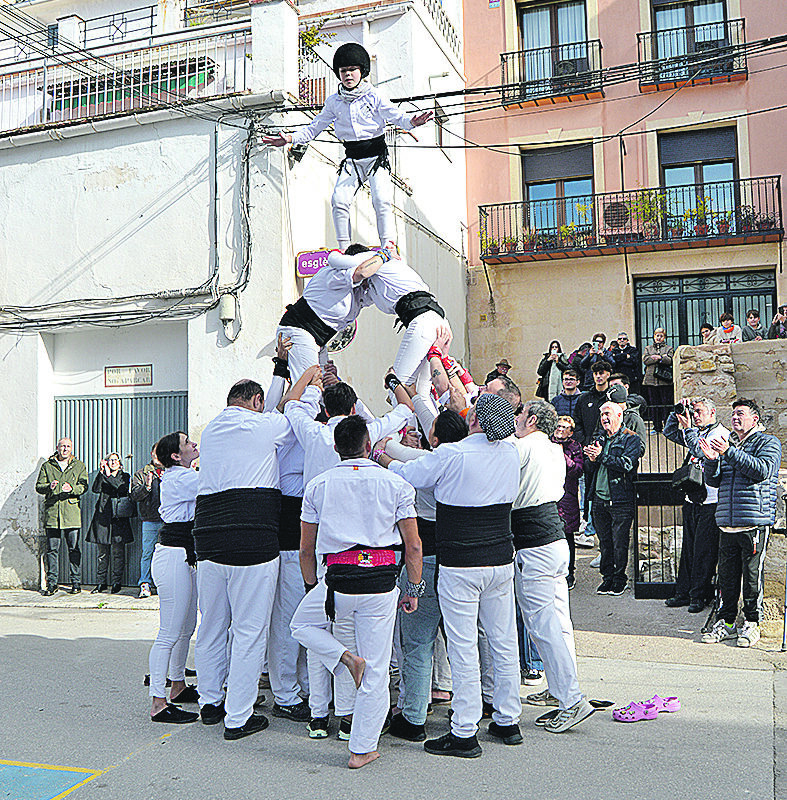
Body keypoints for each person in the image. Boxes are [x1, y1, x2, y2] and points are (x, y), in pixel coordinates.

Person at [386, 393, 522, 758]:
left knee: (463, 647)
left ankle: (464, 730)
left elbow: (408, 475)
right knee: (503, 640)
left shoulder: (452, 454)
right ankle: (508, 719)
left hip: (460, 563)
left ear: (474, 420)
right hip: (500, 559)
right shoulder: (510, 453)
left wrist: (385, 456)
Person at [290, 415, 423, 769]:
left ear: (336, 448)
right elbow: (413, 546)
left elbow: (306, 549)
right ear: (368, 446)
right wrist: (413, 588)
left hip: (338, 581)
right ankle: (361, 749)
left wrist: (312, 586)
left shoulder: (318, 485)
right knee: (376, 670)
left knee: (300, 625)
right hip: (381, 582)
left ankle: (344, 658)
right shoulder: (395, 484)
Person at [262, 43, 432, 251]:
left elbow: (397, 117)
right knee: (339, 200)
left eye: (352, 70)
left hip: (376, 158)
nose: (348, 75)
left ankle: (388, 245)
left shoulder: (374, 96)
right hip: (352, 160)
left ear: (362, 71)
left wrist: (412, 122)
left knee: (381, 199)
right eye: (343, 71)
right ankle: (344, 249)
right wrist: (289, 138)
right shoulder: (334, 102)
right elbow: (314, 128)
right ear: (338, 74)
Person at [193, 379, 291, 740]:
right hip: (252, 536)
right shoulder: (264, 425)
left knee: (212, 625)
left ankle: (210, 701)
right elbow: (291, 409)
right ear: (257, 401)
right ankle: (238, 717)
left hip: (209, 538)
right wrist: (306, 378)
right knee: (250, 630)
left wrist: (279, 369)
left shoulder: (211, 430)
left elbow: (272, 407)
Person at [377, 409, 468, 742]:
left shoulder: (428, 463)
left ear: (435, 438)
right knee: (462, 643)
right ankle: (471, 709)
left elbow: (401, 460)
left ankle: (413, 717)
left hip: (425, 558)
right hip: (460, 560)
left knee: (417, 643)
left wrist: (383, 451)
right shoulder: (468, 463)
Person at [511, 400, 594, 733]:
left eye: (519, 416)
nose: (515, 420)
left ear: (531, 420)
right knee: (559, 622)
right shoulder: (553, 449)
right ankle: (562, 691)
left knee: (542, 625)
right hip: (555, 542)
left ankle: (571, 700)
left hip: (535, 545)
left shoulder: (524, 447)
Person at [699, 398, 782, 647]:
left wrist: (728, 452)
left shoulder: (768, 442)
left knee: (752, 577)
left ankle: (752, 623)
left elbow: (762, 470)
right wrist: (711, 460)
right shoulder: (730, 445)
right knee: (727, 578)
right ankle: (726, 623)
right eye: (733, 414)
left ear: (754, 419)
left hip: (753, 522)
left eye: (741, 414)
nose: (735, 418)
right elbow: (714, 481)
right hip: (727, 522)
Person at [344, 247, 452, 414]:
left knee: (397, 387)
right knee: (420, 391)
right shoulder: (378, 280)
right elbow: (360, 298)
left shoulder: (378, 262)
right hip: (435, 321)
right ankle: (433, 428)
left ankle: (411, 431)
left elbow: (361, 272)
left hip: (423, 321)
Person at [148, 431, 201, 725]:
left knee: (186, 627)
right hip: (173, 556)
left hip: (186, 554)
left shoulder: (184, 475)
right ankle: (158, 701)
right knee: (169, 631)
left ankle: (177, 685)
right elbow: (214, 483)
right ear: (176, 456)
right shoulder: (180, 478)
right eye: (187, 443)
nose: (193, 444)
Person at [663, 398, 728, 613]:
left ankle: (699, 596)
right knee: (688, 550)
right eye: (694, 412)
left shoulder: (720, 433)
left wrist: (689, 429)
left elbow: (700, 452)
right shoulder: (697, 432)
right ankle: (683, 593)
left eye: (699, 411)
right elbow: (669, 432)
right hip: (692, 498)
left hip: (711, 502)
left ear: (713, 412)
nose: (696, 415)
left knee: (703, 551)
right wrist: (677, 412)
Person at [276, 248, 371, 383]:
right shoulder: (335, 275)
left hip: (318, 340)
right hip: (300, 330)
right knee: (309, 386)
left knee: (326, 384)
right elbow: (360, 273)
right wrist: (384, 256)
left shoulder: (358, 290)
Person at [585, 402, 644, 596]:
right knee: (604, 543)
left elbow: (626, 464)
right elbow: (590, 468)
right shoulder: (599, 438)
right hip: (599, 498)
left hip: (620, 499)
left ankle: (620, 579)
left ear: (619, 415)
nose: (604, 418)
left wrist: (601, 456)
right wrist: (591, 460)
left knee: (619, 543)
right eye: (602, 414)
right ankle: (607, 578)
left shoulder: (631, 438)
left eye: (607, 414)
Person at [35, 438, 88, 596]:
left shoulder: (78, 465)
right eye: (62, 446)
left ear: (72, 448)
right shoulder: (47, 466)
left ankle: (76, 583)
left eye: (68, 446)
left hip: (71, 514)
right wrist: (49, 487)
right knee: (52, 550)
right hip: (53, 515)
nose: (65, 449)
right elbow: (39, 487)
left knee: (74, 549)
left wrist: (72, 489)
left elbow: (84, 486)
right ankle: (52, 584)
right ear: (57, 448)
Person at [87, 453, 133, 594]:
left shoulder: (125, 476)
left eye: (115, 460)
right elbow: (95, 489)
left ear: (119, 463)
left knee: (118, 553)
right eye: (110, 460)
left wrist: (108, 475)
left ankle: (116, 582)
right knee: (102, 553)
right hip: (103, 517)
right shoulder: (103, 474)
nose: (112, 462)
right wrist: (102, 473)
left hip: (118, 518)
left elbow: (120, 488)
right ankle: (101, 583)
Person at [551, 416, 584, 578]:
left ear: (571, 432)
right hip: (549, 494)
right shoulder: (547, 444)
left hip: (567, 495)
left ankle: (569, 571)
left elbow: (578, 470)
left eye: (565, 427)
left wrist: (563, 456)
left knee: (567, 534)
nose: (560, 429)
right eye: (558, 426)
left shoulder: (575, 447)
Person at [131, 445, 164, 598]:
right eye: (156, 452)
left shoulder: (171, 471)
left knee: (168, 553)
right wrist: (147, 486)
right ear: (151, 453)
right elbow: (134, 495)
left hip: (169, 520)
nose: (158, 455)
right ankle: (145, 583)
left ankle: (163, 584)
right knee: (148, 553)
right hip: (150, 520)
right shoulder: (141, 474)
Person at [641, 328, 674, 433]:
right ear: (654, 337)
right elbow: (645, 360)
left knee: (665, 405)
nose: (659, 338)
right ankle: (657, 427)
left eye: (661, 336)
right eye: (657, 335)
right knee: (654, 405)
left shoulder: (669, 348)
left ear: (664, 337)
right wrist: (654, 358)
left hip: (664, 381)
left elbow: (670, 360)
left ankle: (667, 426)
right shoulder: (648, 348)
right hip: (651, 380)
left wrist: (660, 358)